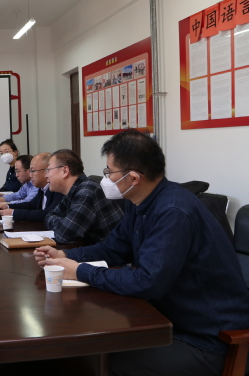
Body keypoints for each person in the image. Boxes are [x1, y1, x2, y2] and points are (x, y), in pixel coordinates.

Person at [35, 130, 249, 376]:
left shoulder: (173, 211)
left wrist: (81, 271)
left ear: (133, 178)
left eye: (109, 172)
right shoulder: (140, 203)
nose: (105, 178)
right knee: (87, 347)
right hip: (168, 320)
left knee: (96, 360)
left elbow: (147, 281)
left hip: (209, 341)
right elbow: (112, 248)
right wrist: (67, 257)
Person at [44, 149, 123, 245]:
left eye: (48, 170)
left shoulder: (87, 191)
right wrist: (63, 223)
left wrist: (63, 223)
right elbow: (49, 215)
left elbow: (64, 235)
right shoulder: (73, 190)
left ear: (65, 171)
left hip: (110, 251)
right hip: (92, 248)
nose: (46, 175)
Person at [0, 153, 64, 222]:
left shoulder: (59, 190)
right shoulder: (42, 188)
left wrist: (13, 213)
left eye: (32, 171)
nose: (30, 175)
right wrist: (7, 206)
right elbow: (31, 205)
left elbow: (48, 214)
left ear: (46, 171)